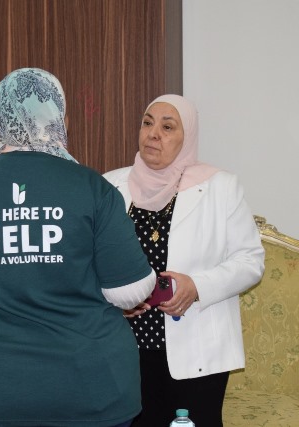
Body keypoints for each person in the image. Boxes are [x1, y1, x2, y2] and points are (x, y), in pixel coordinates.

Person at [0, 68, 157, 427]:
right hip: (89, 390)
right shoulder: (93, 188)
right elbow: (129, 291)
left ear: (2, 121)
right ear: (57, 117)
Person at [103, 94, 265, 427]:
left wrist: (197, 286)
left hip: (197, 349)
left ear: (187, 136)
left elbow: (250, 260)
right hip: (124, 349)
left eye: (168, 127)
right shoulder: (109, 186)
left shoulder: (220, 187)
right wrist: (117, 300)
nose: (153, 134)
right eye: (147, 123)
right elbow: (91, 262)